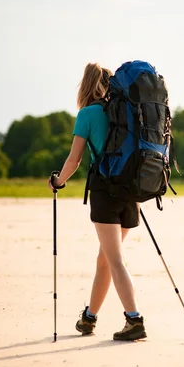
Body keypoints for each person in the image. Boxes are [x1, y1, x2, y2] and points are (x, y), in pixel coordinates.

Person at [47, 62, 146, 341]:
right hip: (130, 193)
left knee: (114, 260)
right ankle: (89, 318)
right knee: (104, 259)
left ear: (86, 85)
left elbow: (74, 159)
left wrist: (58, 182)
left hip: (105, 193)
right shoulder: (125, 112)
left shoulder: (87, 114)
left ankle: (134, 320)